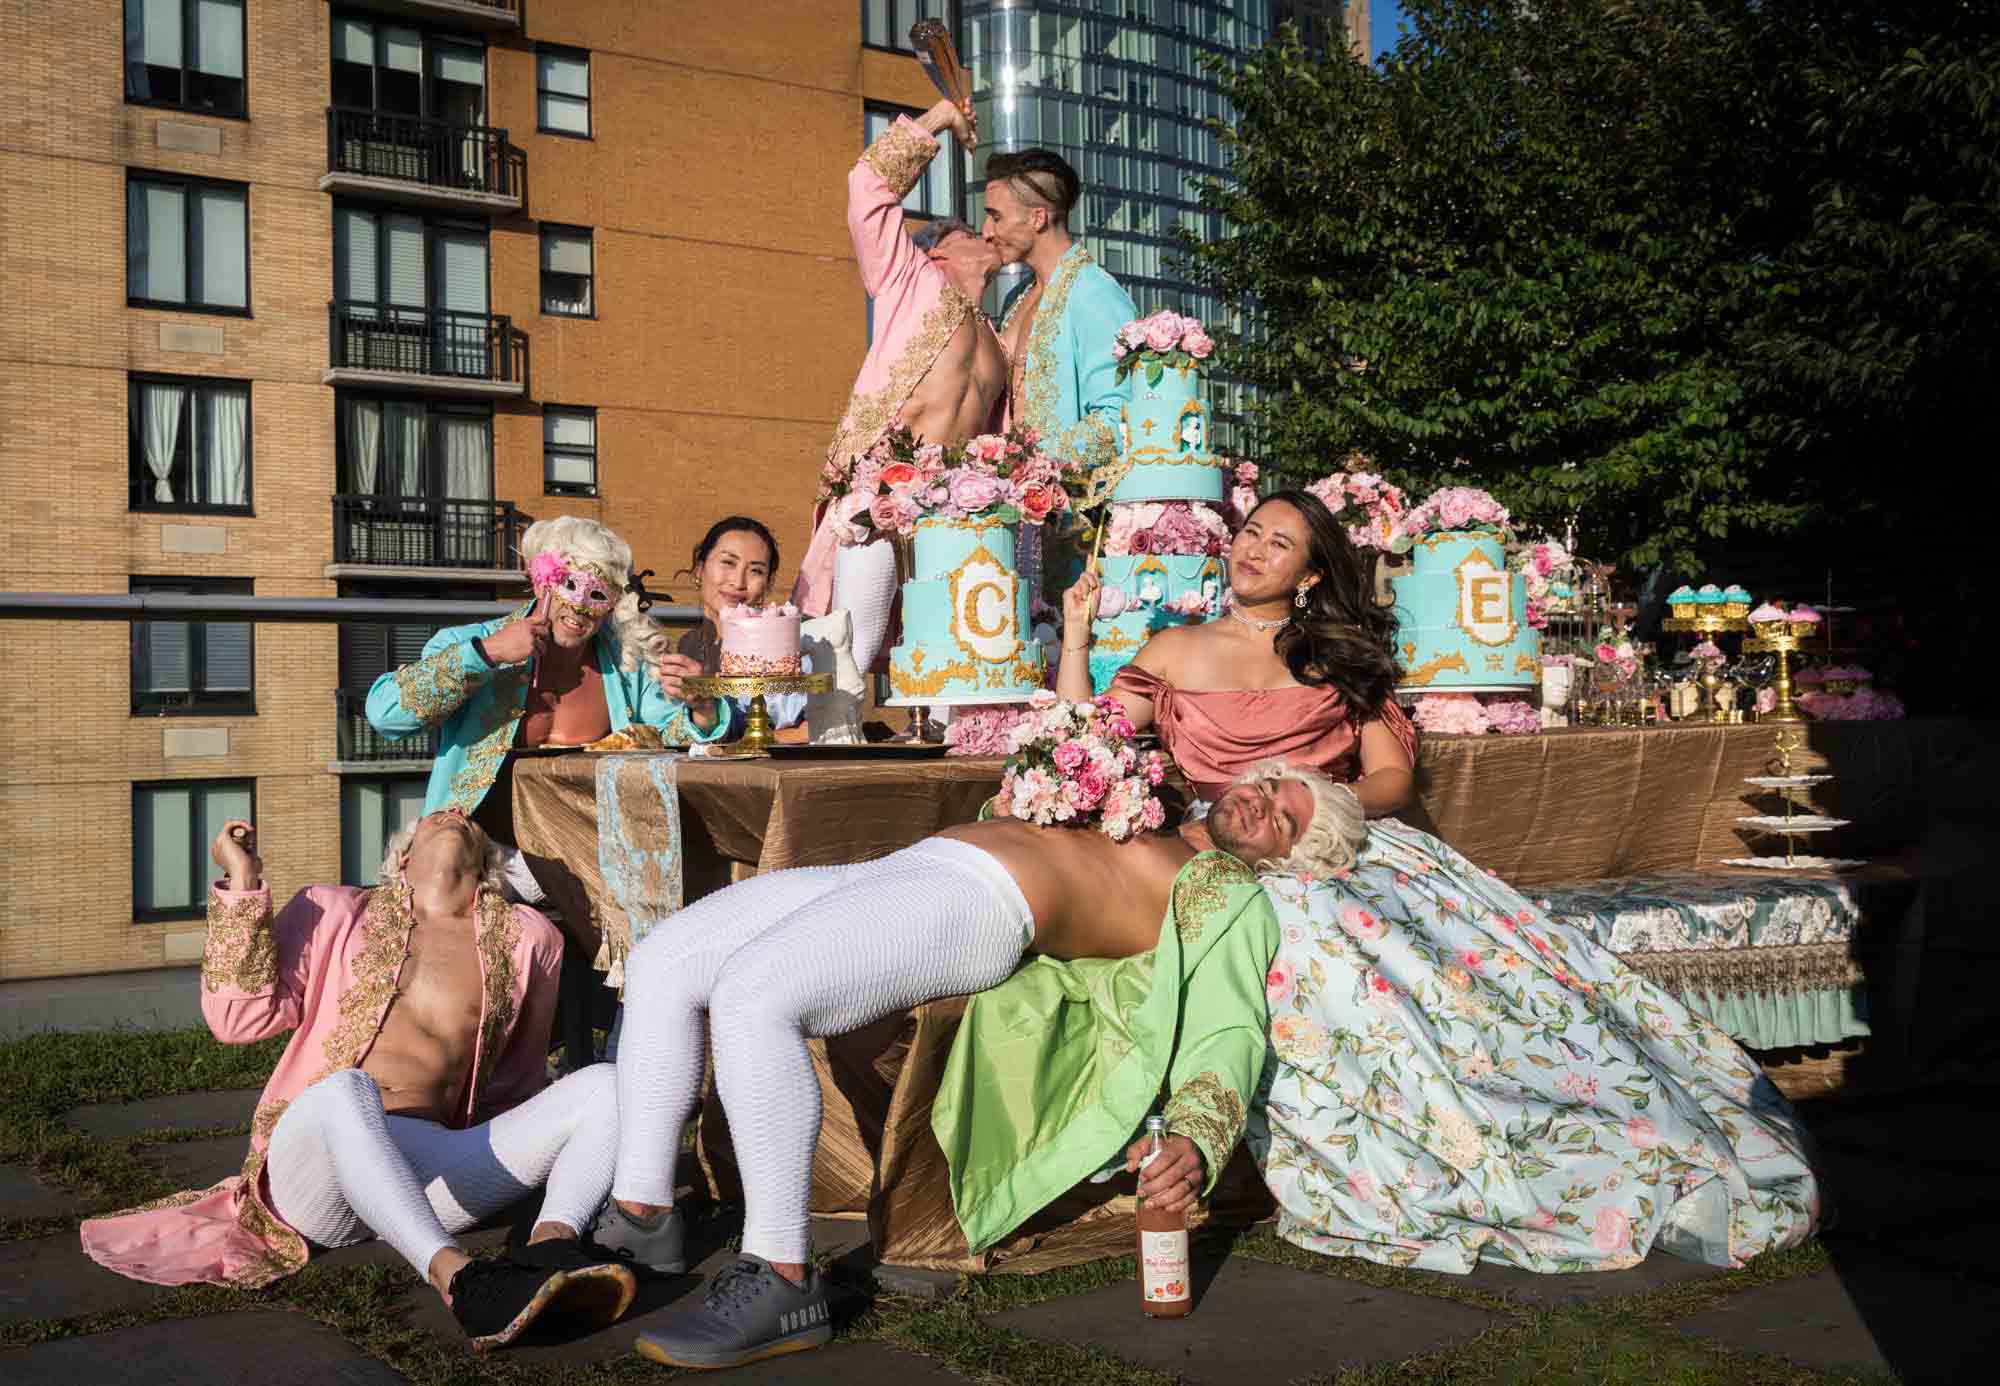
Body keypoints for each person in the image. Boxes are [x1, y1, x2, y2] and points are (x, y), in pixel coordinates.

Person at [1065, 489, 1823, 1273]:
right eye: (1251, 532)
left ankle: (1546, 1125)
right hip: (1227, 853)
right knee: (1306, 941)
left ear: (1311, 575)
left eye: (1278, 544)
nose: (1252, 549)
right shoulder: (1171, 651)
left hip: (1337, 844)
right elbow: (1083, 747)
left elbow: (1392, 779)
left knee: (1455, 982)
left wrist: (1315, 812)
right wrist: (1079, 638)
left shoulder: (1334, 659)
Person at [607, 764, 1358, 1370]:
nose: (1260, 804)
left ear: (1294, 863)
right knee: (662, 962)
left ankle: (780, 1276)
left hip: (989, 907)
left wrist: (1196, 1135)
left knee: (753, 996)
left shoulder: (1229, 894)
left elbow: (1227, 1026)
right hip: (912, 866)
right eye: (1267, 785)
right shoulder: (1152, 794)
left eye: (1284, 820)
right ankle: (641, 1218)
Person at [80, 813, 640, 1351]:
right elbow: (237, 1019)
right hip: (316, 1176)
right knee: (349, 1089)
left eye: (467, 818)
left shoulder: (529, 939)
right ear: (403, 855)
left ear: (490, 860)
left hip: (430, 1174)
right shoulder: (333, 910)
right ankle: (463, 1284)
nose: (452, 811)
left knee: (606, 1085)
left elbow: (514, 1077)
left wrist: (539, 1158)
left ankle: (548, 1256)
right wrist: (243, 885)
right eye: (432, 814)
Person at [366, 515, 730, 1069]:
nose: (580, 605)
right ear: (540, 579)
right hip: (482, 860)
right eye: (569, 584)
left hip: (587, 856)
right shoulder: (474, 645)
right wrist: (487, 655)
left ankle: (630, 1076)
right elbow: (385, 713)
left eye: (598, 592)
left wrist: (701, 704)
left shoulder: (626, 667)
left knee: (665, 925)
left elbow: (681, 731)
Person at [794, 97, 1007, 675]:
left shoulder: (998, 341)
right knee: (851, 647)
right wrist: (940, 117)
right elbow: (867, 184)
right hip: (881, 496)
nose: (988, 234)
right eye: (973, 229)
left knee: (948, 650)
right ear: (940, 247)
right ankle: (827, 751)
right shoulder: (906, 277)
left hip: (955, 515)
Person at [983, 147, 1138, 481]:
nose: (986, 231)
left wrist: (1029, 462)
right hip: (1008, 500)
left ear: (1037, 218)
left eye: (996, 217)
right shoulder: (1016, 297)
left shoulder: (1095, 294)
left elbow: (1117, 420)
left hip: (1067, 513)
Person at [677, 516, 808, 740]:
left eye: (755, 571)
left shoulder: (788, 648)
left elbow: (814, 730)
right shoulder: (685, 647)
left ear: (767, 583)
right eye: (728, 563)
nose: (738, 582)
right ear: (700, 569)